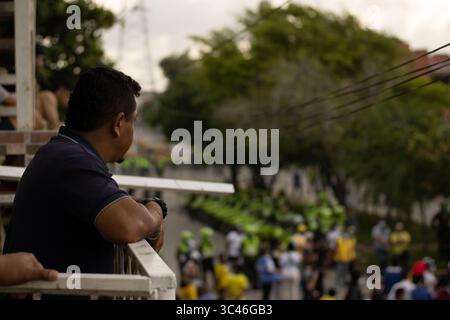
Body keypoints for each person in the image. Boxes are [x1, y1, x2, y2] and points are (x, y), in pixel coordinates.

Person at [4, 68, 166, 289]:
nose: (133, 130)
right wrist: (156, 209)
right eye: (133, 122)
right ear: (118, 124)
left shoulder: (65, 153)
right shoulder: (71, 160)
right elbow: (130, 224)